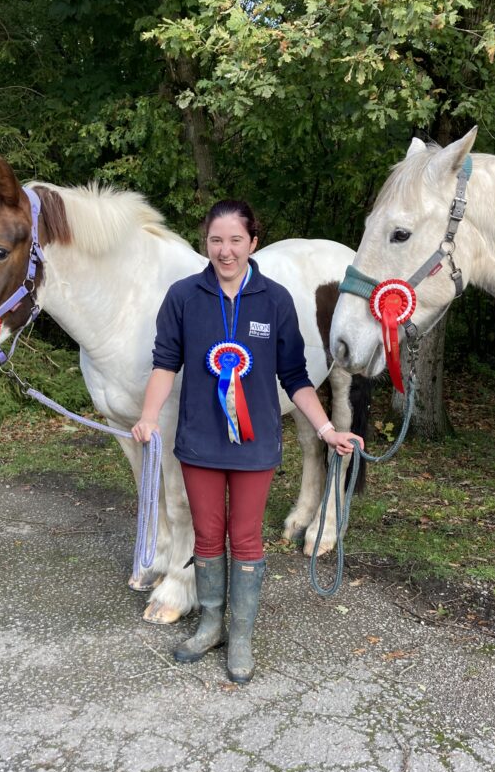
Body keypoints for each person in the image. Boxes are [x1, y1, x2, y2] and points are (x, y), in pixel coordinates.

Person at [132, 200, 363, 684]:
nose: (225, 250)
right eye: (216, 240)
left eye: (236, 240)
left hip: (254, 449)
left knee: (246, 537)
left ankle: (241, 636)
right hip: (198, 443)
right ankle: (212, 623)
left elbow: (296, 376)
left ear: (253, 242)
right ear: (206, 244)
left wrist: (326, 430)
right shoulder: (183, 297)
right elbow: (163, 363)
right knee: (208, 535)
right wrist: (149, 418)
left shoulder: (275, 300)